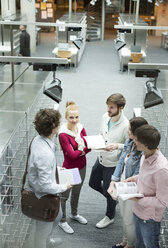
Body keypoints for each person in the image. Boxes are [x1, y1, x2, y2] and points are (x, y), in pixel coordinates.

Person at [27, 108, 71, 248]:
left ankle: (47, 241)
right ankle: (43, 243)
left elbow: (41, 168)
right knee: (43, 230)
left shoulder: (38, 140)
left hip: (41, 190)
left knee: (57, 217)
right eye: (58, 123)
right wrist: (65, 187)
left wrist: (56, 170)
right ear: (53, 128)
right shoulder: (46, 154)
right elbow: (46, 186)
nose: (60, 124)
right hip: (43, 197)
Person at [89, 93, 129, 229]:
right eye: (108, 107)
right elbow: (101, 133)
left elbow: (129, 146)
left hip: (113, 164)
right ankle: (112, 198)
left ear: (121, 107)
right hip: (101, 157)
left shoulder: (126, 125)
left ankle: (109, 216)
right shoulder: (105, 117)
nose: (108, 110)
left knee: (109, 190)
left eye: (111, 107)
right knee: (93, 183)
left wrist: (117, 146)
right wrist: (97, 142)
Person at [108, 117, 148, 248]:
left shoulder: (142, 152)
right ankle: (124, 242)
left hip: (131, 189)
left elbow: (137, 174)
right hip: (122, 185)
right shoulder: (129, 142)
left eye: (130, 129)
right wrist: (113, 182)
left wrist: (120, 186)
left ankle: (130, 245)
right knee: (123, 217)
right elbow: (121, 162)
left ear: (137, 133)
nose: (127, 130)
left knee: (128, 220)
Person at [125, 125, 168, 248]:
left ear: (146, 145)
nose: (134, 140)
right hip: (137, 211)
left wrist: (138, 199)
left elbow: (162, 202)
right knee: (139, 244)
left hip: (149, 219)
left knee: (149, 245)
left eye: (137, 139)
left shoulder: (162, 169)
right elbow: (146, 176)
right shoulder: (145, 154)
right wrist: (134, 179)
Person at [58, 101, 91, 234]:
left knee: (76, 192)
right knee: (64, 196)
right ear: (66, 118)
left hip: (82, 166)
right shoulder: (63, 134)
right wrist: (82, 150)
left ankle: (74, 214)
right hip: (69, 168)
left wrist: (80, 150)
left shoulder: (80, 127)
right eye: (71, 117)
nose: (74, 120)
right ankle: (62, 220)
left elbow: (89, 145)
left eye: (76, 117)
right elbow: (71, 156)